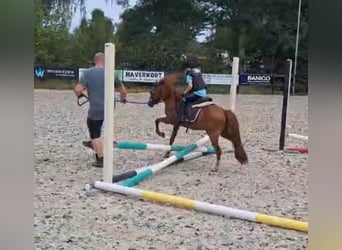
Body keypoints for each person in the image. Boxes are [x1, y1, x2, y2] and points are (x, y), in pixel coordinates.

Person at [74, 52, 127, 167]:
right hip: (109, 108)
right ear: (105, 61)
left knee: (95, 132)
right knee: (104, 130)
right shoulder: (111, 73)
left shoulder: (87, 73)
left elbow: (78, 89)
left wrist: (82, 95)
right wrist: (123, 99)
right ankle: (97, 144)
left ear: (95, 61)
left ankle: (101, 158)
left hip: (96, 109)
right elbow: (123, 91)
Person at [178, 56, 208, 123]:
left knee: (183, 100)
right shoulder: (199, 72)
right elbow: (204, 83)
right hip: (204, 92)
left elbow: (190, 86)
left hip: (197, 93)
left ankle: (182, 117)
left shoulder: (189, 74)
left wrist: (184, 92)